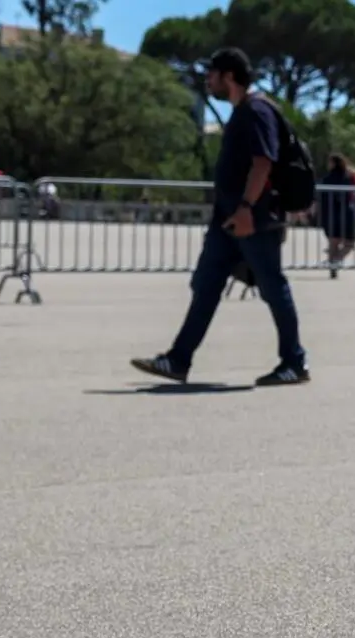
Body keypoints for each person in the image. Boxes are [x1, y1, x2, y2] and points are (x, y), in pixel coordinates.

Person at [131, 48, 308, 386]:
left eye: (212, 74)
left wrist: (244, 208)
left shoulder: (256, 111)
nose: (208, 81)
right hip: (227, 220)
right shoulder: (242, 111)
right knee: (206, 285)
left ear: (229, 76)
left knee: (272, 286)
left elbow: (263, 163)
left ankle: (294, 362)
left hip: (251, 219)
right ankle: (178, 360)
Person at [319, 153, 355, 278]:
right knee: (349, 242)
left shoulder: (327, 178)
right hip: (346, 212)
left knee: (333, 242)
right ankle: (336, 260)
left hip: (330, 212)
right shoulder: (349, 176)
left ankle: (333, 265)